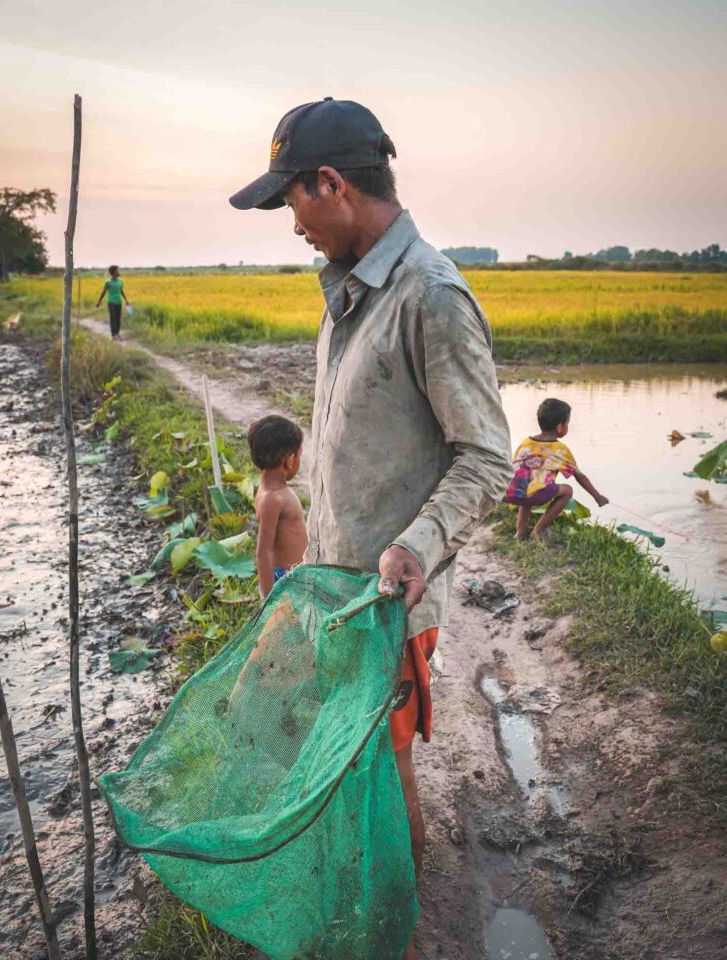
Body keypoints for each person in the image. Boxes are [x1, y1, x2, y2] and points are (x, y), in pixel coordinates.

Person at [230, 98, 512, 959]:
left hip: (386, 603)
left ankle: (395, 930)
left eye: (293, 203)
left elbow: (487, 458)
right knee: (347, 765)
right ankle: (366, 904)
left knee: (383, 777)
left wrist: (414, 546)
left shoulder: (429, 295)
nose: (293, 226)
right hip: (335, 592)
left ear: (332, 184)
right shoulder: (348, 293)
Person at [505, 397, 608, 540]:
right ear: (560, 426)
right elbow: (579, 475)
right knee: (567, 491)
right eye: (567, 423)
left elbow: (514, 466)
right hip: (533, 495)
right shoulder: (560, 450)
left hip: (510, 492)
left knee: (527, 487)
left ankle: (520, 531)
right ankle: (538, 531)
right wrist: (597, 496)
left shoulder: (526, 443)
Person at [247, 414, 308, 600]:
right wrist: (269, 600)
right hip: (287, 583)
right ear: (289, 460)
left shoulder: (269, 489)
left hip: (294, 577)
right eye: (299, 456)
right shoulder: (273, 499)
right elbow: (263, 552)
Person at [95, 265, 130, 340]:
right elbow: (103, 293)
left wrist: (126, 300)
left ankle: (117, 333)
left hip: (118, 302)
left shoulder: (120, 282)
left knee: (118, 319)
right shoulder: (108, 282)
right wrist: (99, 302)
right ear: (113, 272)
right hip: (111, 303)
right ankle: (114, 335)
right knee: (113, 318)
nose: (118, 272)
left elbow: (121, 291)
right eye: (117, 270)